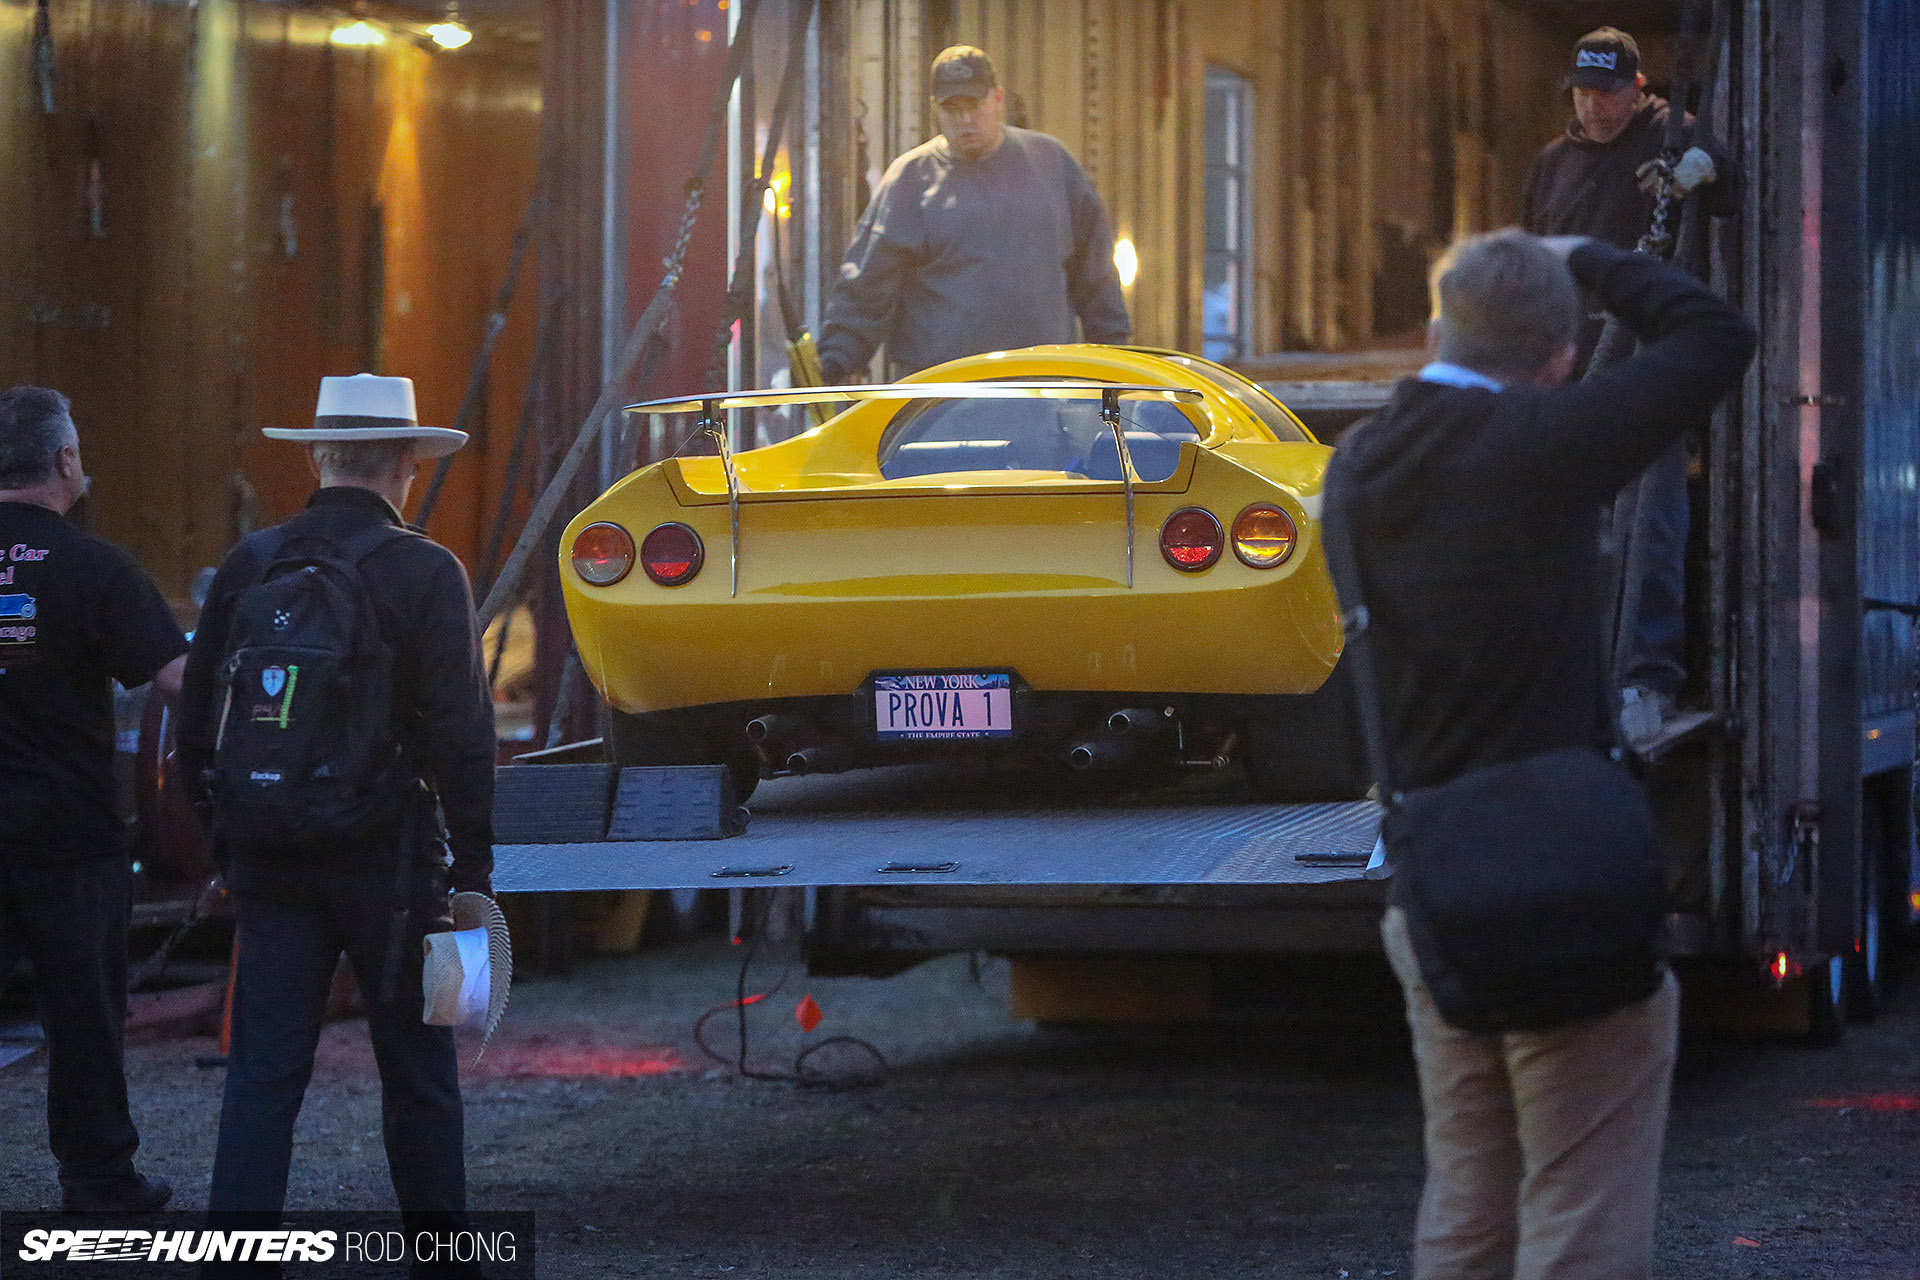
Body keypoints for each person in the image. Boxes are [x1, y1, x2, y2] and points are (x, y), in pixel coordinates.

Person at [1334, 231, 1753, 1278]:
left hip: (1434, 885)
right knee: (1581, 1184)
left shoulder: (1357, 467)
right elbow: (1715, 335)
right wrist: (1598, 257)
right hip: (1559, 881)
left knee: (1469, 1183)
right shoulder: (1548, 443)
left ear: (1435, 330)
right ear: (1562, 359)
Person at [178, 375, 495, 1259]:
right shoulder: (429, 572)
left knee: (262, 1079)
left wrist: (228, 843)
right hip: (397, 870)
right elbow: (464, 739)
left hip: (273, 863)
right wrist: (473, 875)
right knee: (421, 1074)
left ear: (318, 456)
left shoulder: (253, 564)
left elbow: (196, 724)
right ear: (404, 462)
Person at [1522, 27, 1740, 742]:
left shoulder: (1670, 137)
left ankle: (1647, 677)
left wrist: (1706, 168)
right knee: (1572, 534)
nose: (1596, 108)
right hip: (1571, 373)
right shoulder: (1552, 166)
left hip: (1648, 370)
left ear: (1638, 87)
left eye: (1609, 94)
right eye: (1584, 94)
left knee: (1650, 521)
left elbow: (1732, 187)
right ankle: (1574, 679)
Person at [0, 385, 186, 1213]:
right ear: (65, 460)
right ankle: (98, 1179)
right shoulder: (95, 567)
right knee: (82, 1010)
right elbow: (179, 679)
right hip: (64, 829)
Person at [817, 45, 1131, 383]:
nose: (965, 120)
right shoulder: (909, 182)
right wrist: (833, 363)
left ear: (998, 98)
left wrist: (1112, 358)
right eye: (952, 108)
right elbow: (867, 287)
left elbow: (1096, 274)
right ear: (934, 108)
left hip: (1042, 394)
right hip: (937, 404)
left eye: (974, 105)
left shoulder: (1053, 165)